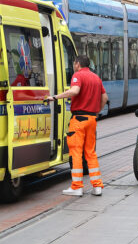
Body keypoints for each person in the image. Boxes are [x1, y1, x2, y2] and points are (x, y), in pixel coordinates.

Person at [45, 55, 108, 197]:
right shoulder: (96, 78)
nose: (74, 65)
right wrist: (96, 111)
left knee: (76, 153)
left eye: (74, 63)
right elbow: (105, 98)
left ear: (78, 64)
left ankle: (77, 187)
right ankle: (97, 186)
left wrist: (54, 97)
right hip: (92, 119)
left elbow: (75, 91)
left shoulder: (78, 75)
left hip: (78, 120)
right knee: (90, 153)